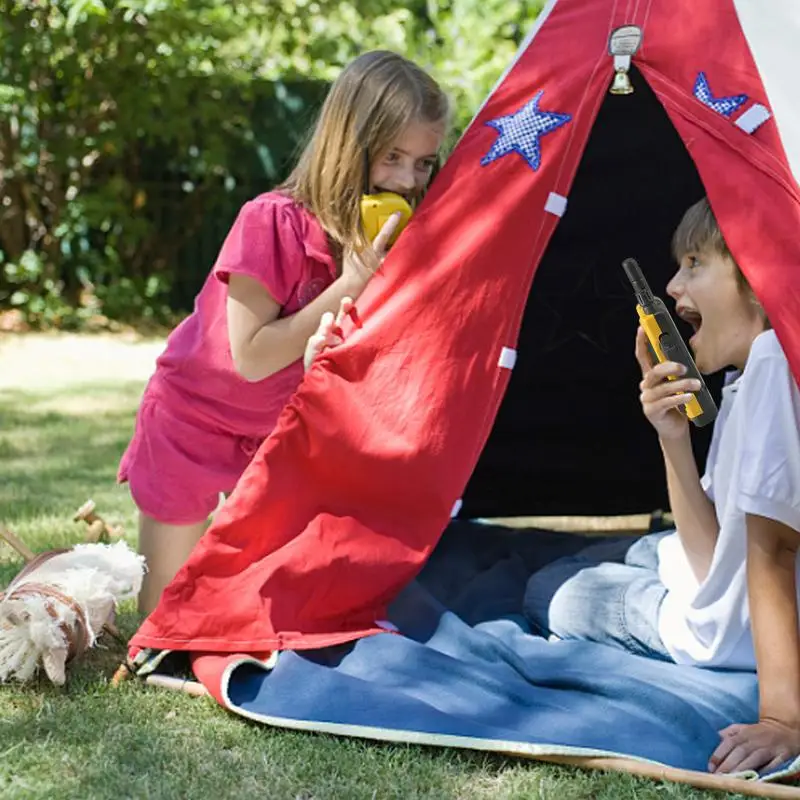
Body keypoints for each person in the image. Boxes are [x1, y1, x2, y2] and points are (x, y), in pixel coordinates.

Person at [118, 50, 449, 615]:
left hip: (277, 440)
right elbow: (249, 357)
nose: (406, 179)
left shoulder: (385, 240)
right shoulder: (271, 221)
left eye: (423, 163)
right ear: (350, 143)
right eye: (392, 156)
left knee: (259, 614)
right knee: (160, 620)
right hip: (191, 423)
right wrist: (352, 283)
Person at [523, 197, 800, 775]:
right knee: (631, 553)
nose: (673, 285)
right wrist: (670, 434)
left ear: (756, 274)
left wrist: (781, 720)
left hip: (728, 633)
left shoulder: (773, 363)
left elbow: (773, 550)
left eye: (695, 262)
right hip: (724, 589)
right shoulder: (749, 376)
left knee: (552, 586)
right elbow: (710, 552)